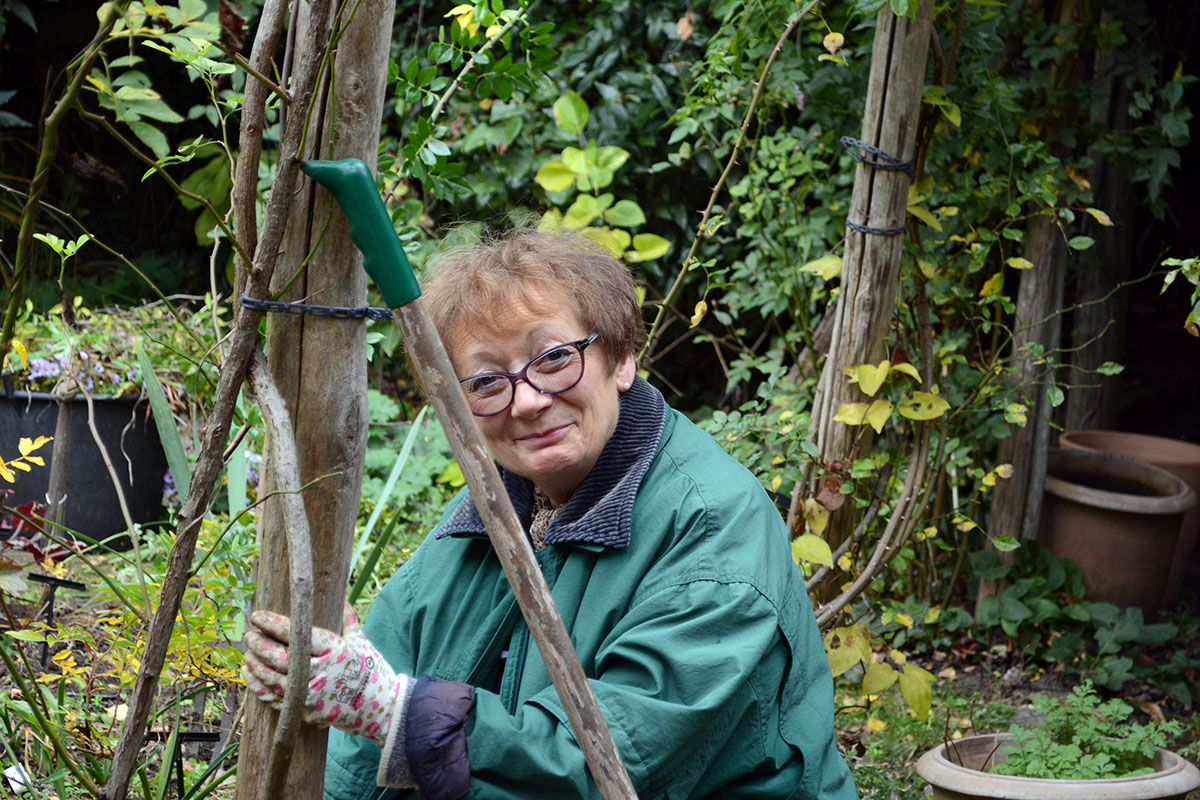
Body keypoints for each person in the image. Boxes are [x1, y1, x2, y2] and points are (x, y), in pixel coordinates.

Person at [242, 228, 858, 800]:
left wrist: (396, 710)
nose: (530, 401)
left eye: (555, 357)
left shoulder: (714, 532)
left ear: (620, 360)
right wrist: (357, 695)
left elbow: (605, 767)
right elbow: (368, 715)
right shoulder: (495, 509)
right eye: (485, 382)